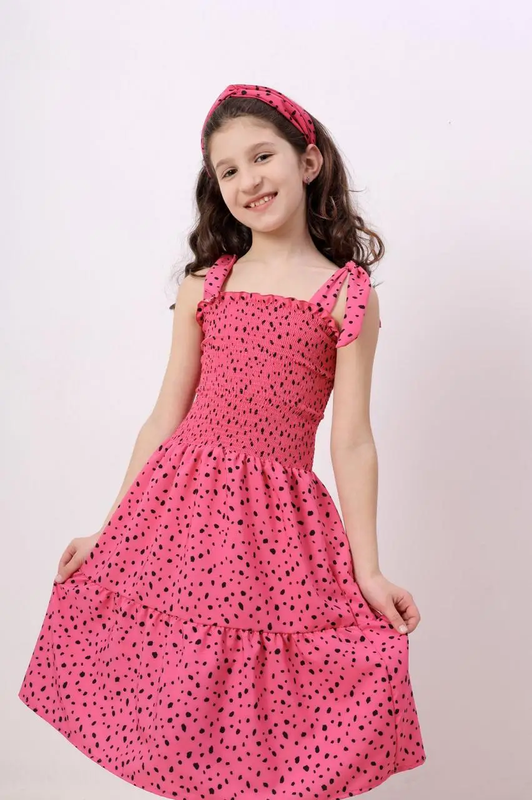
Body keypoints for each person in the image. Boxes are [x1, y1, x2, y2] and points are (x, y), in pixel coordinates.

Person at [18, 84, 427, 798]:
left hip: (274, 529)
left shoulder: (346, 296)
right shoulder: (207, 284)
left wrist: (368, 571)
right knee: (176, 692)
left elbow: (353, 441)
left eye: (262, 157)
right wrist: (110, 529)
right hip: (178, 510)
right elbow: (164, 417)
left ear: (308, 162)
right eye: (228, 170)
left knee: (256, 702)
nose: (248, 181)